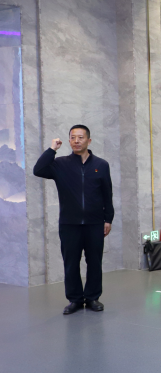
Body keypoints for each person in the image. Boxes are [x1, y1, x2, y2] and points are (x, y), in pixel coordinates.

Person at [33, 125, 114, 315]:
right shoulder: (60, 164)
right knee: (71, 263)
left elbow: (107, 194)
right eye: (72, 137)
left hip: (95, 223)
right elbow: (38, 169)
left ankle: (92, 297)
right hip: (69, 223)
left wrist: (108, 219)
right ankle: (75, 299)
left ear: (89, 140)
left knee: (95, 262)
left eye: (80, 137)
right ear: (69, 141)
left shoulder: (101, 165)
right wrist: (52, 149)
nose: (76, 141)